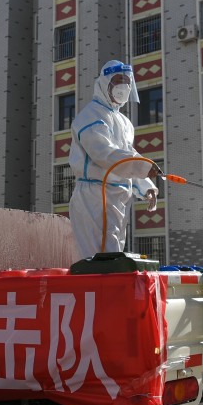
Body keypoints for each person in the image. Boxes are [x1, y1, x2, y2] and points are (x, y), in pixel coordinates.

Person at [68, 60, 159, 259]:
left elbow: (126, 154)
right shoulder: (90, 116)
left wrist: (146, 186)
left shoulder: (124, 122)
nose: (124, 86)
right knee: (97, 259)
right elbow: (105, 154)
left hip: (118, 197)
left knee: (112, 256)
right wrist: (144, 168)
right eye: (118, 80)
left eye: (127, 81)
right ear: (104, 83)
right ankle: (93, 290)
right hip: (95, 196)